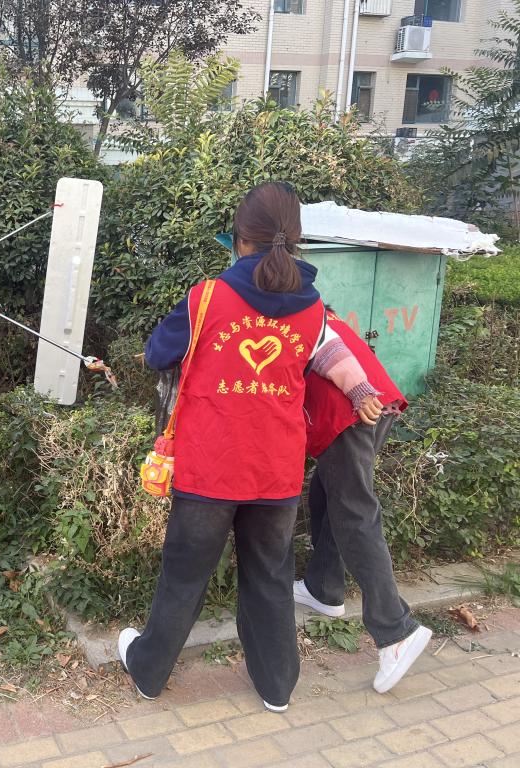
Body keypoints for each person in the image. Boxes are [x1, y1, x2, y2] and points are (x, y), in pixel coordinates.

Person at [118, 182, 384, 710]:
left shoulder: (207, 297)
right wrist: (360, 388)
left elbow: (156, 354)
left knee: (185, 574)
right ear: (295, 238)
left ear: (240, 238)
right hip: (276, 469)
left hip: (210, 466)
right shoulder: (314, 309)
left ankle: (149, 671)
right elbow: (332, 357)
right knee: (270, 576)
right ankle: (276, 686)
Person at [297, 308, 432, 693]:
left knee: (354, 512)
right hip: (378, 401)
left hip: (348, 411)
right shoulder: (313, 307)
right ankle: (324, 588)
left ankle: (396, 630)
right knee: (328, 492)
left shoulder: (280, 312)